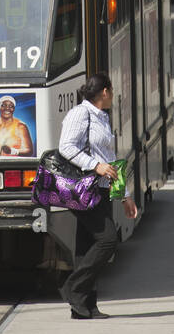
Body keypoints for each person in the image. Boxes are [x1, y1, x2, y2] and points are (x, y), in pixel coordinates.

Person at [57, 73, 137, 320]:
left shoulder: (101, 117)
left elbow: (110, 161)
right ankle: (73, 288)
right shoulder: (80, 114)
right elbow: (66, 146)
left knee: (87, 245)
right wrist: (94, 165)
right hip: (83, 188)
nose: (113, 96)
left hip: (100, 188)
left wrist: (125, 195)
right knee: (107, 240)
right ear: (104, 91)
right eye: (111, 91)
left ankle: (84, 307)